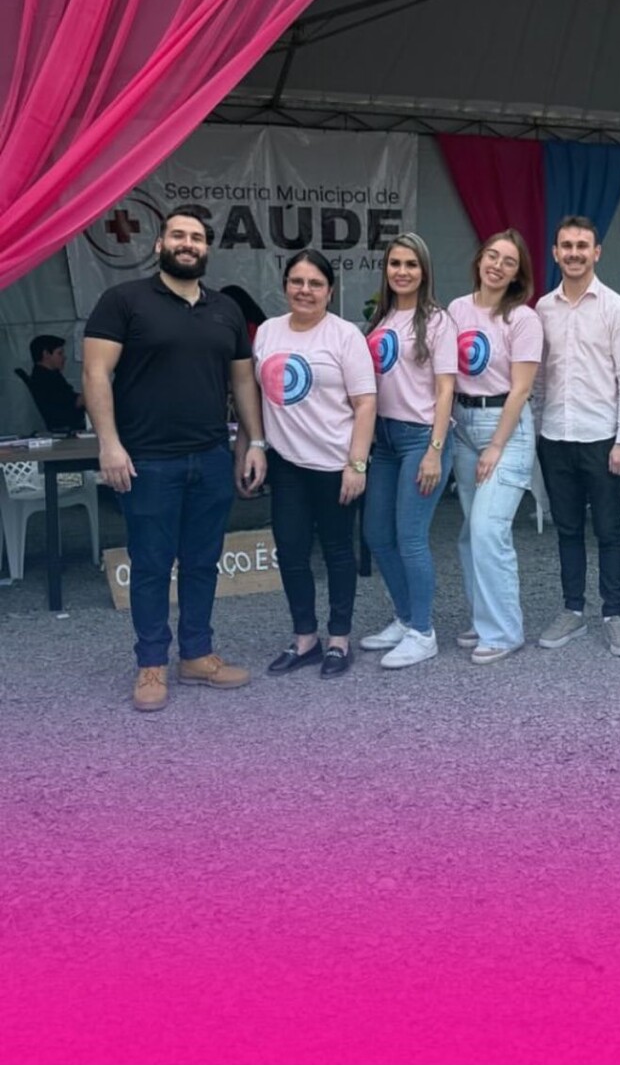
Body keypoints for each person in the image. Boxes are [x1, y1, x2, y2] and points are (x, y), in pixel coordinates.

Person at [82, 205, 267, 713]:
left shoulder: (226, 309)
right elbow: (95, 374)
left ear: (207, 248)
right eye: (178, 235)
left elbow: (243, 381)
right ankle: (150, 664)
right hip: (148, 460)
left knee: (203, 562)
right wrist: (109, 443)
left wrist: (254, 442)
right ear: (159, 244)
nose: (188, 244)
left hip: (210, 456)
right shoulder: (123, 301)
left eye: (197, 237)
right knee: (150, 564)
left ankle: (197, 655)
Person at [252, 250, 376, 680]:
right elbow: (253, 395)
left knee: (338, 552)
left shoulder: (345, 336)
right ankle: (305, 638)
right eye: (297, 282)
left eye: (315, 284)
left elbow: (365, 404)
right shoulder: (267, 332)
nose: (305, 290)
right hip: (286, 464)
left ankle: (339, 638)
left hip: (334, 464)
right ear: (285, 285)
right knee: (290, 551)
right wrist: (254, 446)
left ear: (330, 291)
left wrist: (357, 464)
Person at [535, 216, 620, 658]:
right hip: (554, 436)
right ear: (555, 253)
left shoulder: (615, 308)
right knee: (566, 529)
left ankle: (614, 613)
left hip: (602, 438)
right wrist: (535, 430)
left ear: (596, 252)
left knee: (609, 530)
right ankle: (573, 609)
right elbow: (538, 377)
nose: (574, 253)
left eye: (582, 246)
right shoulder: (542, 309)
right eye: (567, 245)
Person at [360, 234, 458, 669]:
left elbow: (446, 388)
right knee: (376, 534)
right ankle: (404, 617)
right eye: (395, 263)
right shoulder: (379, 319)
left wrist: (435, 449)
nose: (402, 271)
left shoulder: (438, 321)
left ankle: (423, 631)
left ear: (424, 271)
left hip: (421, 437)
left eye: (411, 264)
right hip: (384, 440)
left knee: (410, 538)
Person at [448, 229, 542, 666]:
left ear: (518, 273)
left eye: (509, 261)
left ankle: (504, 632)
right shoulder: (457, 309)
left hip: (505, 426)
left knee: (489, 528)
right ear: (479, 260)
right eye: (492, 256)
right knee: (472, 531)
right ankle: (484, 618)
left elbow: (521, 389)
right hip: (464, 424)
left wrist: (496, 446)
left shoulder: (522, 319)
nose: (497, 266)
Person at [25, 334, 87, 432]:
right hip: (66, 428)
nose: (64, 357)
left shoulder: (51, 375)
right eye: (59, 353)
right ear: (46, 354)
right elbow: (69, 404)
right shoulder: (45, 379)